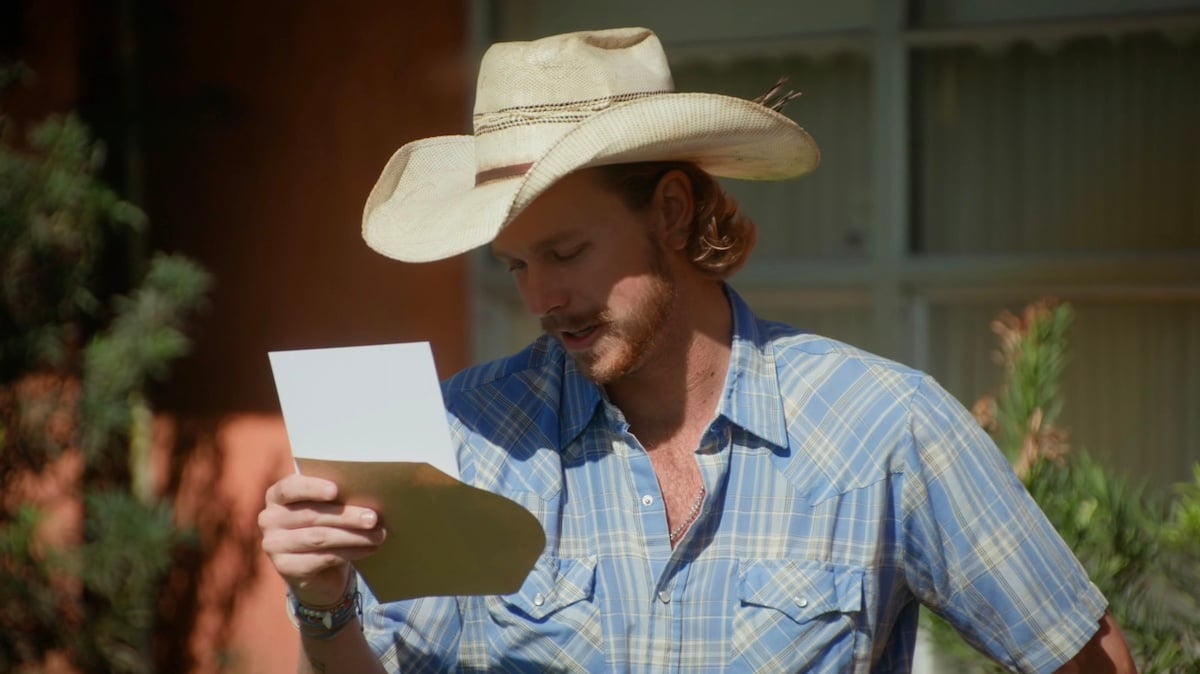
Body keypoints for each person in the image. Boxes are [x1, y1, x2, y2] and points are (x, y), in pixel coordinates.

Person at [258, 27, 1137, 673]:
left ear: (673, 212)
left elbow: (1086, 661)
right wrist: (324, 603)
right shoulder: (464, 438)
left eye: (567, 254)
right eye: (517, 265)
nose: (540, 297)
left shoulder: (884, 429)